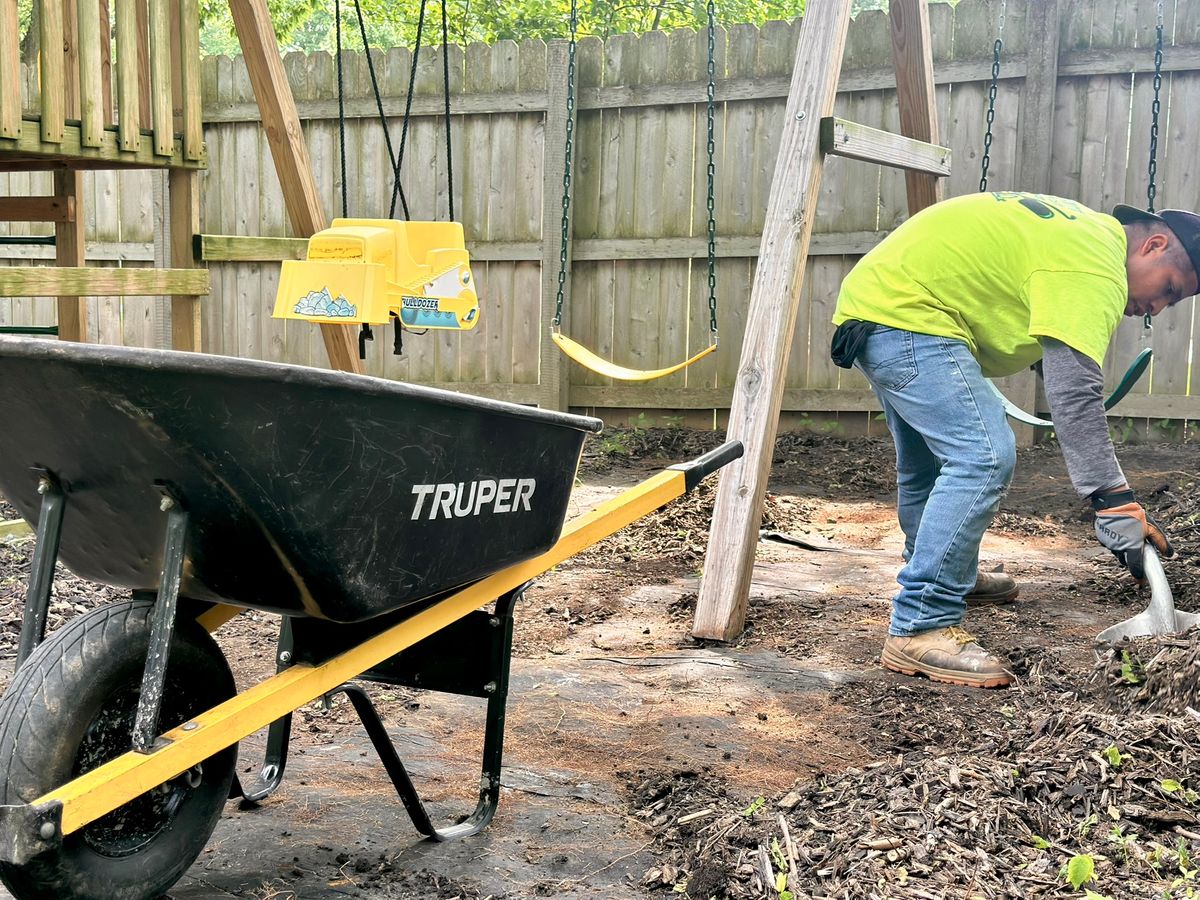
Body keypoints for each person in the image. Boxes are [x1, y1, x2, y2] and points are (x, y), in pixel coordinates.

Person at [829, 191, 1200, 689]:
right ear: (1154, 244)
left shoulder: (1081, 236)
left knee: (931, 466)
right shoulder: (1096, 266)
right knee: (982, 456)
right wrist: (1113, 500)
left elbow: (1051, 354)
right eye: (1170, 289)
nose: (1156, 307)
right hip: (911, 315)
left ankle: (946, 572)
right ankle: (920, 623)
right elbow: (1075, 390)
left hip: (881, 306)